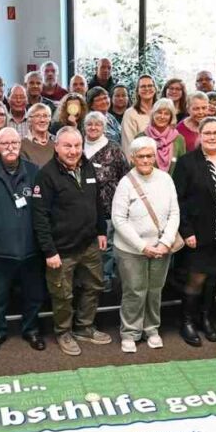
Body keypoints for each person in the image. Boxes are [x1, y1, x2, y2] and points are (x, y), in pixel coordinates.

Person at [32, 127, 111, 356]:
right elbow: (40, 217)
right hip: (61, 249)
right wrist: (49, 251)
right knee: (63, 295)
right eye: (67, 145)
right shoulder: (45, 175)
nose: (73, 150)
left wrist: (101, 230)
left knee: (94, 286)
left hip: (89, 244)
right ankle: (64, 332)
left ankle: (85, 327)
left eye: (77, 145)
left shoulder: (86, 166)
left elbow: (96, 201)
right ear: (56, 147)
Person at [0, 128, 47, 354]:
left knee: (33, 295)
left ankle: (31, 330)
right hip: (0, 249)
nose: (10, 147)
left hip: (31, 248)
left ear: (20, 144)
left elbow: (42, 210)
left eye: (14, 143)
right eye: (4, 143)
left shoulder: (35, 171)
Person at [173, 117, 216, 346]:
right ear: (200, 135)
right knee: (196, 278)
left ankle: (206, 318)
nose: (212, 137)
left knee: (213, 278)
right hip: (197, 233)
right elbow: (178, 200)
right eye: (208, 133)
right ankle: (187, 322)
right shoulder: (187, 162)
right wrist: (186, 230)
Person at [112, 136, 180, 353]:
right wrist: (142, 246)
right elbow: (119, 219)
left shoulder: (165, 179)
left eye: (149, 155)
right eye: (140, 156)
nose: (145, 160)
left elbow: (174, 212)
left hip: (161, 247)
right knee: (134, 291)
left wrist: (166, 242)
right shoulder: (125, 183)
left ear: (155, 156)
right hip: (132, 250)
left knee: (154, 290)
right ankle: (130, 332)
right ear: (132, 158)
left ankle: (151, 329)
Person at [84, 111, 130, 295]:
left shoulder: (115, 149)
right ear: (84, 127)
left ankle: (106, 281)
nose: (93, 127)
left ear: (104, 127)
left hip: (108, 207)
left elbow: (125, 177)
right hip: (82, 209)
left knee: (107, 246)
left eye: (98, 124)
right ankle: (87, 282)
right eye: (89, 124)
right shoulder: (77, 147)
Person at [120, 75, 158, 158]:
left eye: (150, 86)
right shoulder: (130, 114)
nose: (147, 89)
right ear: (137, 91)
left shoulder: (161, 112)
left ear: (155, 89)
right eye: (143, 86)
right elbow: (128, 145)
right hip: (140, 163)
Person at [20, 103, 56, 167]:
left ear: (50, 119)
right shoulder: (22, 145)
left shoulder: (57, 141)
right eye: (37, 116)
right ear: (29, 120)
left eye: (45, 116)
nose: (42, 120)